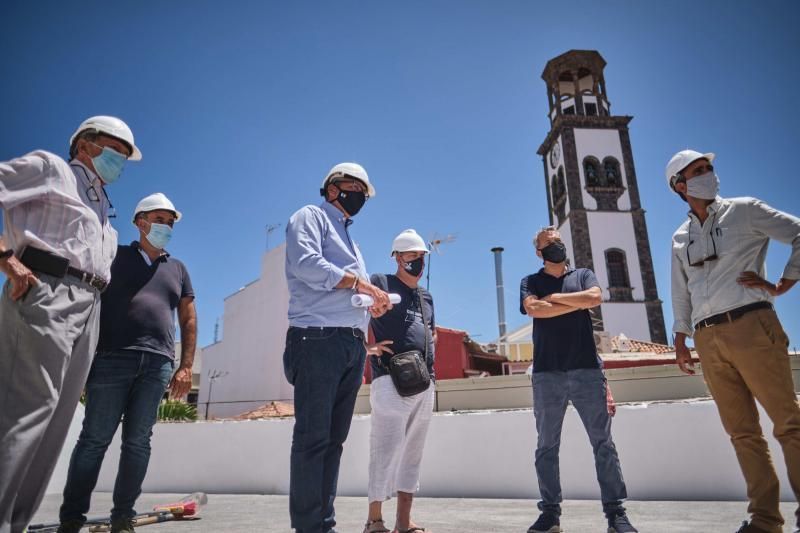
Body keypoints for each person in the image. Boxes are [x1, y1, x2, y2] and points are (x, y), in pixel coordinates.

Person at [0, 115, 140, 533]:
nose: (121, 159)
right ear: (85, 144)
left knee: (56, 422)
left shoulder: (103, 206)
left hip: (90, 304)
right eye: (115, 148)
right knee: (25, 413)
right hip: (48, 290)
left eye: (125, 155)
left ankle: (16, 523)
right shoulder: (51, 168)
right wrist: (6, 259)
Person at [667, 149, 800, 533]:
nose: (710, 173)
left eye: (709, 168)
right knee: (743, 433)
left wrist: (782, 284)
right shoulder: (679, 237)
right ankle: (764, 520)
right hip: (708, 340)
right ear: (681, 185)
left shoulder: (745, 210)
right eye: (698, 170)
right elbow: (681, 291)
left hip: (752, 325)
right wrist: (681, 336)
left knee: (789, 423)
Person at [57, 193, 196, 533]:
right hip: (110, 359)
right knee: (94, 439)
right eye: (159, 219)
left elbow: (188, 318)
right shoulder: (113, 257)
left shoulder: (177, 269)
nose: (166, 226)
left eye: (170, 222)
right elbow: (86, 298)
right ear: (140, 222)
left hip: (158, 364)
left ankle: (123, 517)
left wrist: (185, 366)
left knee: (138, 441)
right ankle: (72, 518)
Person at [283, 162, 391, 533]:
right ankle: (309, 527)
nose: (359, 193)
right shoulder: (310, 216)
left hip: (349, 343)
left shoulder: (351, 240)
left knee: (333, 442)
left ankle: (323, 524)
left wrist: (370, 302)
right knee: (313, 438)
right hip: (316, 339)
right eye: (353, 186)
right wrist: (362, 286)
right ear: (332, 188)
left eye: (364, 190)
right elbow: (307, 265)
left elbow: (348, 293)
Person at [520, 226, 637, 533]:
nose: (557, 244)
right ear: (539, 252)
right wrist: (574, 302)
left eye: (558, 240)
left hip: (587, 370)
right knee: (546, 446)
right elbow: (533, 309)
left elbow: (595, 298)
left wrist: (556, 298)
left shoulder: (583, 274)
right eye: (550, 243)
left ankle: (616, 515)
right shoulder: (530, 282)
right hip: (547, 374)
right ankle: (550, 515)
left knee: (603, 444)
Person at [362, 229, 436, 533]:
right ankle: (374, 520)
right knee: (385, 449)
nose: (417, 261)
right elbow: (350, 311)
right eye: (410, 255)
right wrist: (366, 348)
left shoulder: (426, 296)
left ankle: (403, 522)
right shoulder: (381, 282)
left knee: (413, 454)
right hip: (389, 380)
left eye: (421, 256)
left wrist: (433, 375)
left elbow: (432, 334)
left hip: (423, 383)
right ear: (397, 257)